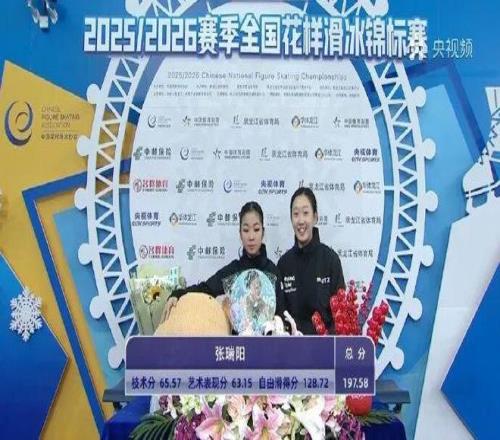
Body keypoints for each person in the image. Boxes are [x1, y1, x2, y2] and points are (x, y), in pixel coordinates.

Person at [168, 201, 283, 330]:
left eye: (256, 229)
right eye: (246, 230)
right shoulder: (233, 271)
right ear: (240, 234)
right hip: (239, 342)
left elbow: (281, 316)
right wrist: (178, 294)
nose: (251, 236)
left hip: (269, 341)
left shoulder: (273, 272)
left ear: (263, 232)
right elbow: (206, 289)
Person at [278, 187, 345, 334]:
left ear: (315, 217)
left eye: (305, 213)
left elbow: (341, 317)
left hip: (325, 345)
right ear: (291, 219)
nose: (301, 221)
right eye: (296, 214)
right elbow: (280, 318)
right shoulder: (284, 264)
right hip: (292, 345)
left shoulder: (330, 260)